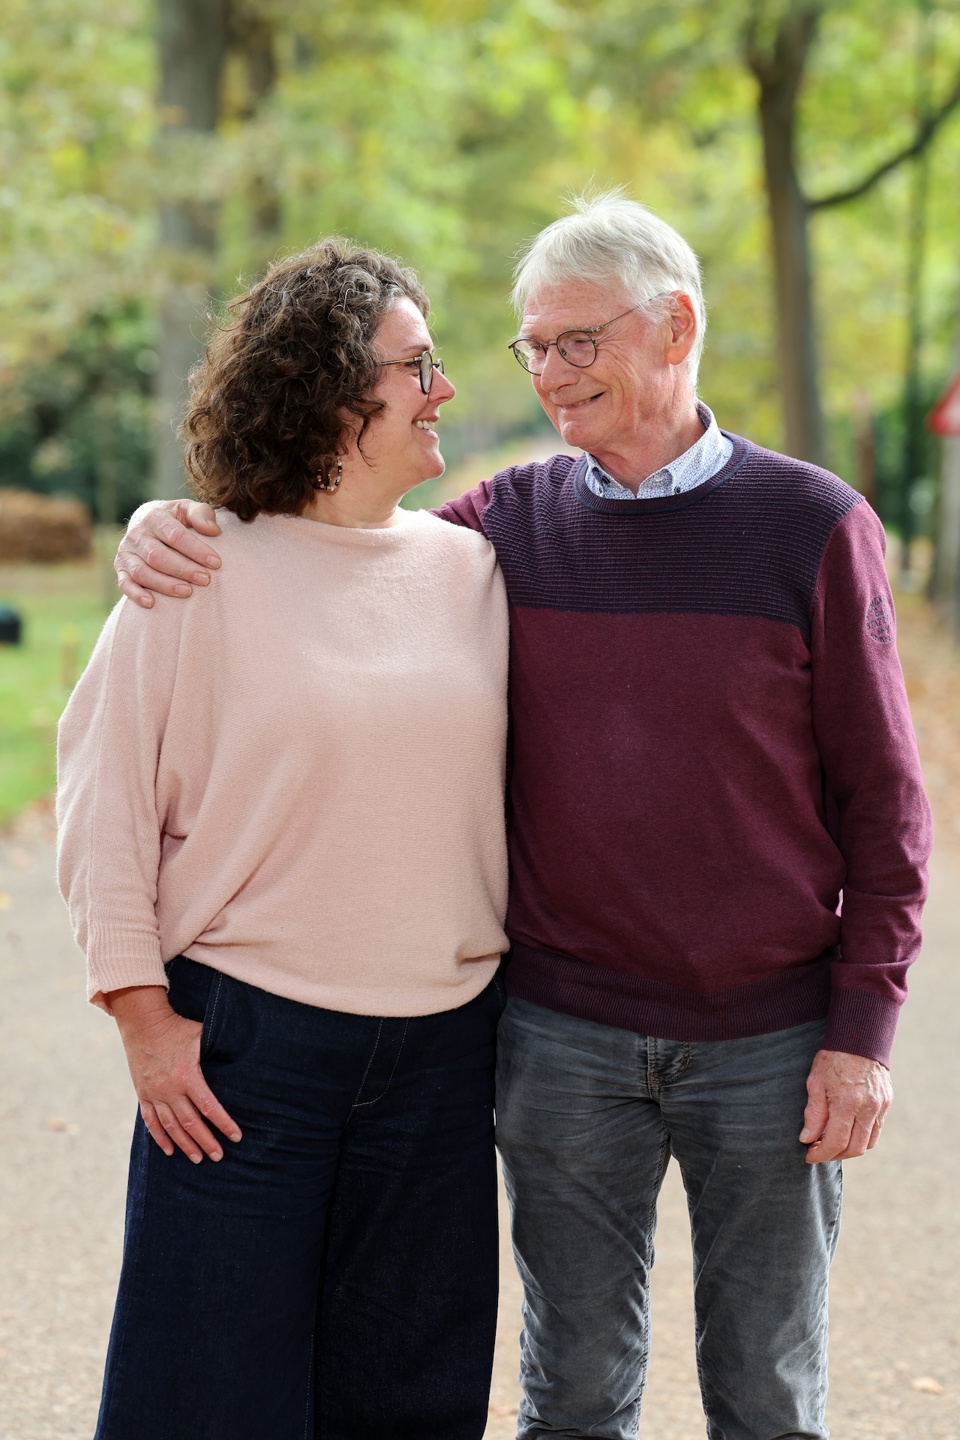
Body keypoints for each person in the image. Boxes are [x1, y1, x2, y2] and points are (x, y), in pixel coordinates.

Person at [115, 194, 932, 1440]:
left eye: (578, 341)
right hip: (563, 1041)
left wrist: (863, 1030)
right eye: (531, 347)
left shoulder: (813, 527)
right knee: (573, 1400)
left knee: (771, 1396)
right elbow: (334, 554)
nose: (548, 373)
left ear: (676, 328)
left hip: (770, 1039)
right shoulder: (507, 529)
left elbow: (887, 801)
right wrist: (170, 522)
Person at [58, 239, 511, 1440]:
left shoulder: (478, 569)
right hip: (249, 1056)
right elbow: (101, 807)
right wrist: (145, 1025)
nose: (444, 389)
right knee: (206, 1405)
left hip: (445, 1067)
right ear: (327, 391)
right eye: (419, 365)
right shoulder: (196, 568)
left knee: (410, 1406)